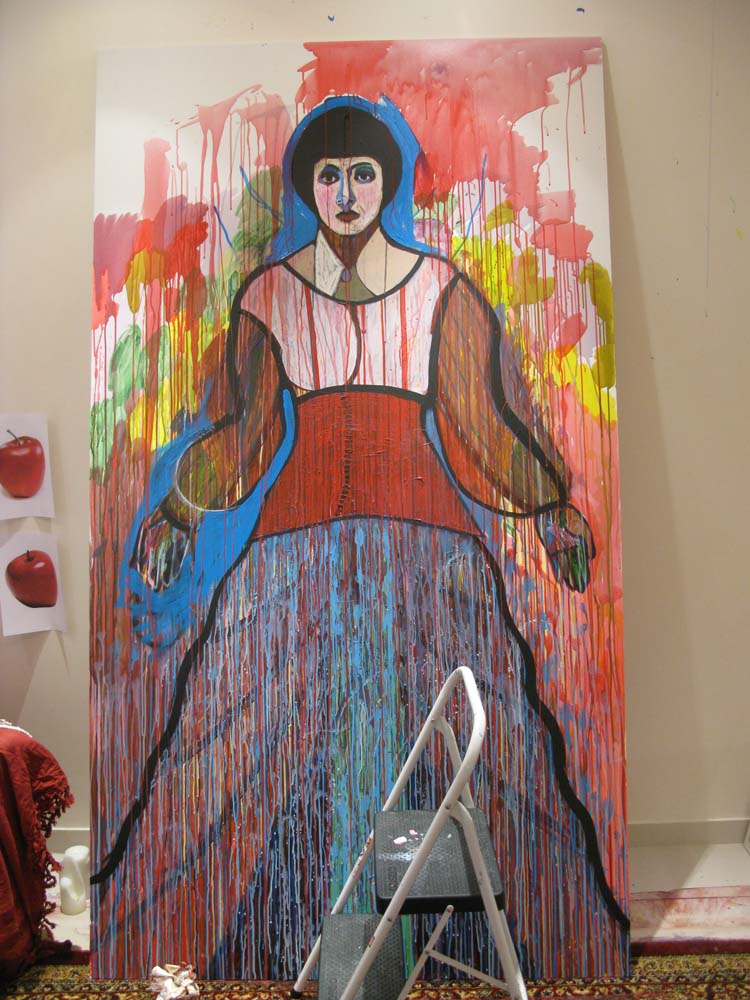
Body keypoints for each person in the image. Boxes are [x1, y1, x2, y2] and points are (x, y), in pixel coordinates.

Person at [94, 96, 627, 980]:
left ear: (388, 185)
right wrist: (180, 511)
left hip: (425, 548)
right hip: (292, 556)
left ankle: (449, 947)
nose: (346, 194)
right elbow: (246, 434)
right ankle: (288, 945)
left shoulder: (439, 289)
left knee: (471, 751)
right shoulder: (269, 294)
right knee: (235, 748)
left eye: (364, 175)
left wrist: (547, 506)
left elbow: (480, 424)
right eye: (330, 177)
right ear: (310, 188)